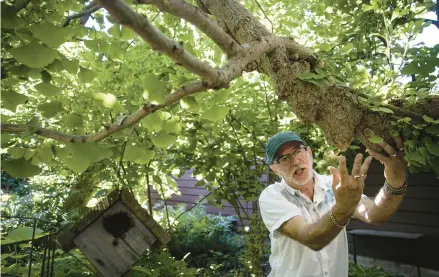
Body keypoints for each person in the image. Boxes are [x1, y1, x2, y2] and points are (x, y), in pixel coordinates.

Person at [259, 131, 408, 277]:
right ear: (275, 169)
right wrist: (343, 208)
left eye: (298, 151)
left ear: (309, 153)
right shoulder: (272, 196)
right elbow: (311, 238)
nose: (295, 162)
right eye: (284, 159)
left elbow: (375, 215)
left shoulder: (334, 185)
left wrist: (395, 182)